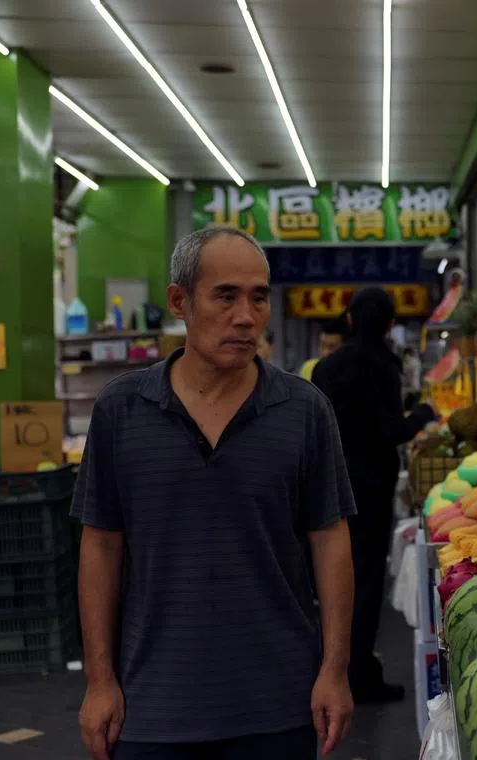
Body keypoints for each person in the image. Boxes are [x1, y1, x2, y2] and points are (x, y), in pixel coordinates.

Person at [72, 227, 356, 760]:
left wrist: (335, 671)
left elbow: (330, 539)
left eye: (258, 297)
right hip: (151, 703)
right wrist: (99, 680)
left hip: (278, 702)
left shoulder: (304, 410)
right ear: (180, 300)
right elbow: (101, 547)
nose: (245, 316)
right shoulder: (121, 409)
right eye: (225, 296)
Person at [311, 288, 436, 703]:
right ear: (388, 324)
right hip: (372, 485)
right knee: (364, 580)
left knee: (328, 576)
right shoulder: (384, 365)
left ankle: (329, 667)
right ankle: (359, 674)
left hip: (330, 480)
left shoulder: (327, 369)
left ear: (349, 321)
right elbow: (390, 431)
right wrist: (422, 414)